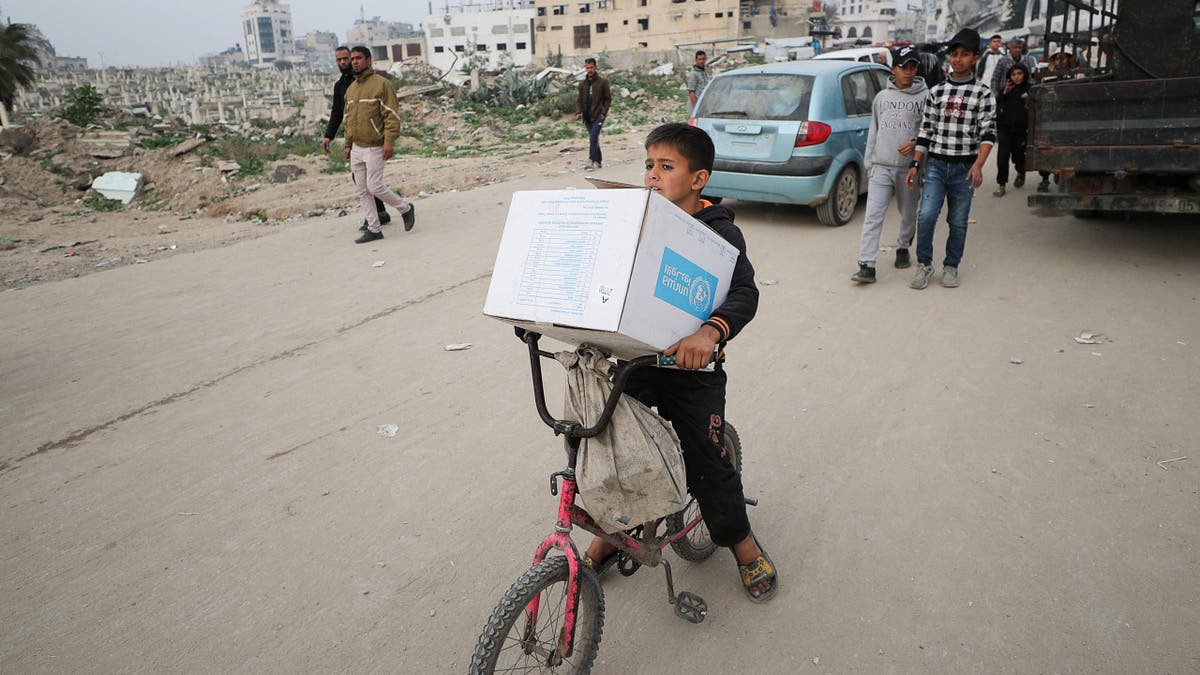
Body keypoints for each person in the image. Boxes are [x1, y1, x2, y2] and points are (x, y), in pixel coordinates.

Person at [582, 123, 778, 603]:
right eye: (648, 165)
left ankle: (745, 547)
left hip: (692, 374)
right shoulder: (638, 221)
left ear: (698, 179)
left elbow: (744, 293)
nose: (652, 175)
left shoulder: (720, 233)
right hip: (637, 362)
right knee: (623, 451)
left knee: (709, 466)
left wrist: (710, 332)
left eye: (666, 167)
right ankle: (614, 535)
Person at [906, 27, 996, 290]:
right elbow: (926, 130)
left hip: (964, 169)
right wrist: (915, 163)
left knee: (957, 221)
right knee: (926, 216)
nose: (957, 59)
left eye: (964, 54)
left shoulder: (983, 94)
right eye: (954, 54)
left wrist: (978, 166)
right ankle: (924, 265)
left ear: (974, 58)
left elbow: (988, 133)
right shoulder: (937, 92)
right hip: (935, 165)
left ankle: (951, 266)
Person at [852, 45, 929, 284]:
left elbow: (930, 130)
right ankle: (867, 265)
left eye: (913, 67)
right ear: (893, 69)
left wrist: (916, 144)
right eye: (903, 67)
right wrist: (869, 164)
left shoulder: (926, 97)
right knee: (873, 215)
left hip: (909, 168)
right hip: (881, 166)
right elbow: (873, 132)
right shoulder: (881, 98)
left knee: (907, 214)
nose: (908, 71)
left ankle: (903, 246)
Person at [342, 46, 415, 244]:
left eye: (358, 58)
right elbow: (348, 119)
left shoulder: (382, 85)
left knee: (374, 186)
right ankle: (374, 229)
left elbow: (392, 116)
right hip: (357, 147)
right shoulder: (351, 89)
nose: (354, 62)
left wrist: (389, 142)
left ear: (368, 60)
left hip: (375, 146)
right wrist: (348, 144)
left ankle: (405, 208)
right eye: (352, 59)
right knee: (362, 190)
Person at [322, 45, 390, 232]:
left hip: (372, 138)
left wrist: (387, 139)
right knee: (360, 179)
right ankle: (377, 214)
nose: (344, 62)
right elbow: (338, 113)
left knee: (371, 181)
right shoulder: (341, 86)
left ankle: (387, 212)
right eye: (340, 60)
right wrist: (329, 135)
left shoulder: (366, 82)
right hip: (355, 138)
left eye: (347, 58)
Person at [992, 63, 1032, 197]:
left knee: (1019, 157)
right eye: (1013, 74)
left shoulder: (1030, 89)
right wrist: (1004, 93)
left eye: (1019, 74)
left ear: (1025, 74)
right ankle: (1001, 185)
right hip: (1005, 129)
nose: (1017, 77)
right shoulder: (1006, 89)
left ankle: (1021, 172)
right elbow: (997, 104)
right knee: (1002, 158)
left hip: (1021, 131)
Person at [575, 57, 611, 170]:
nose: (589, 70)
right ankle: (598, 161)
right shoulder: (582, 84)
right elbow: (580, 100)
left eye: (591, 67)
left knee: (593, 136)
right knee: (593, 138)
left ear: (595, 67)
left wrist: (604, 113)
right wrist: (578, 112)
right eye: (587, 68)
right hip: (587, 116)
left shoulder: (603, 82)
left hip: (598, 115)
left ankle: (591, 159)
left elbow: (608, 99)